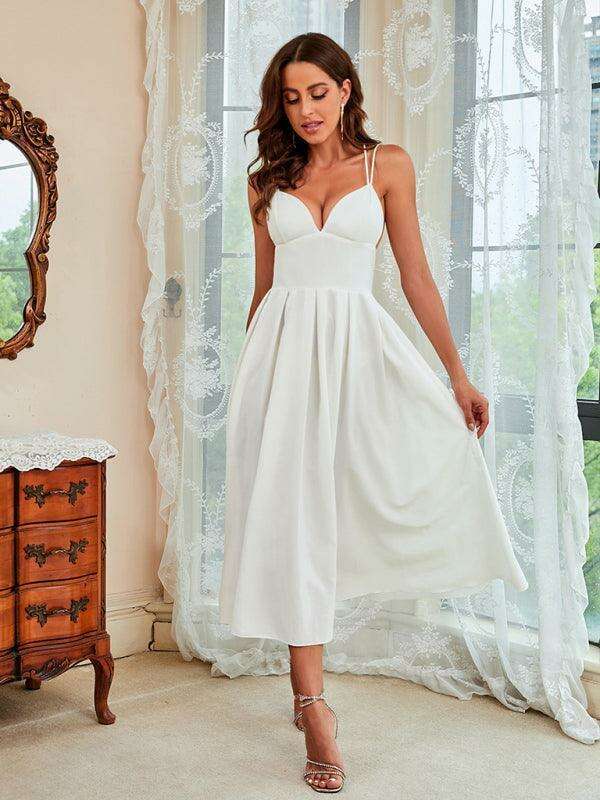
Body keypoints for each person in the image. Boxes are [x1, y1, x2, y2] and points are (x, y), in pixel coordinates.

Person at [218, 31, 528, 794]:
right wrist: (249, 382)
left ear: (346, 89)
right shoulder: (265, 182)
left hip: (357, 356)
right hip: (280, 365)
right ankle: (313, 705)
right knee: (293, 524)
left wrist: (457, 376)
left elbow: (415, 276)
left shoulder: (386, 165)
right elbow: (264, 291)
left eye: (318, 93)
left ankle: (310, 692)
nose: (306, 109)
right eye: (292, 97)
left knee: (366, 497)